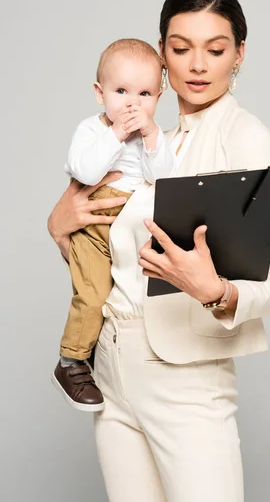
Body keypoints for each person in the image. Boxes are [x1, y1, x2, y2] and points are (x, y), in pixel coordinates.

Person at [48, 0, 270, 502]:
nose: (197, 65)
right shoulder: (138, 134)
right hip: (110, 365)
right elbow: (99, 251)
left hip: (185, 378)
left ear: (239, 54)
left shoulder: (245, 138)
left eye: (216, 49)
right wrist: (58, 223)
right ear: (161, 55)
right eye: (181, 49)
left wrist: (215, 291)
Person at [52, 38, 176, 412]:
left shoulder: (150, 135)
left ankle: (95, 354)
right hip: (94, 223)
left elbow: (164, 178)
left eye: (144, 93)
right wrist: (117, 134)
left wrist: (152, 136)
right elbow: (86, 171)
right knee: (92, 293)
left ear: (159, 96)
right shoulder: (92, 131)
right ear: (99, 92)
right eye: (121, 91)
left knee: (117, 297)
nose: (132, 103)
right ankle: (70, 361)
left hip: (128, 225)